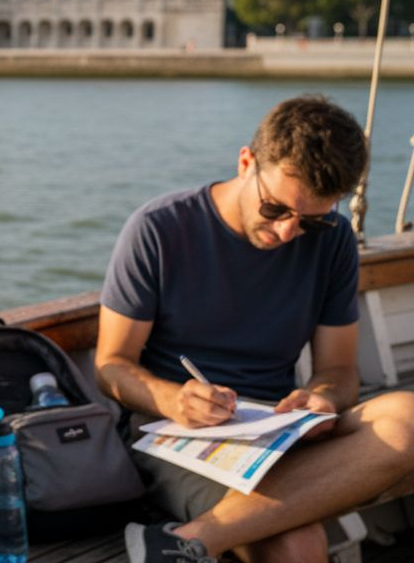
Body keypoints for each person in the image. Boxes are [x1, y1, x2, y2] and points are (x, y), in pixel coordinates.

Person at [96, 95, 414, 563]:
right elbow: (110, 366)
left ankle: (182, 544)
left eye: (311, 222)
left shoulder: (336, 242)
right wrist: (174, 399)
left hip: (280, 429)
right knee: (298, 545)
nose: (287, 232)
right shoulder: (158, 229)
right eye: (275, 209)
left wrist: (323, 399)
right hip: (175, 435)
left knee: (408, 420)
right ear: (246, 162)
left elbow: (339, 370)